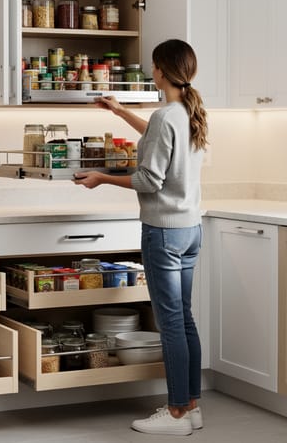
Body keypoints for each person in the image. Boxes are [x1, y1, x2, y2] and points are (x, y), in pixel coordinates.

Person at [73, 39, 208, 436]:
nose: (151, 72)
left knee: (170, 324)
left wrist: (101, 178)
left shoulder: (168, 116)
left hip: (163, 233)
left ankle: (178, 413)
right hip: (190, 229)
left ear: (162, 71)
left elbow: (149, 179)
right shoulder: (188, 112)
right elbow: (154, 131)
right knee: (184, 319)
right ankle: (193, 406)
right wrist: (119, 111)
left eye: (153, 66)